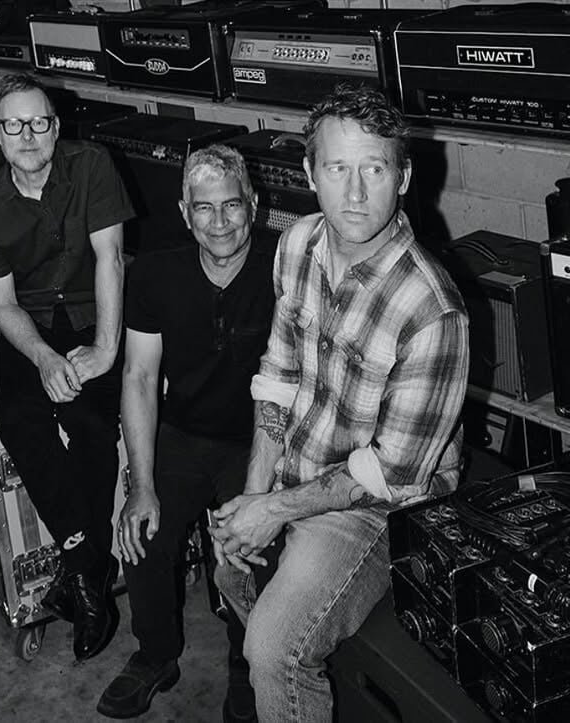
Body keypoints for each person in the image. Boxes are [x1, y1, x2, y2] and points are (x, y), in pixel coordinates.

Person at [211, 84, 469, 722]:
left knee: (273, 649)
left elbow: (389, 474)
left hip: (379, 506)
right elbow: (278, 375)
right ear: (309, 173)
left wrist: (274, 509)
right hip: (301, 463)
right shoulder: (298, 243)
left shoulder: (433, 310)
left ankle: (280, 677)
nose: (354, 193)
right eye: (336, 168)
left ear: (402, 177)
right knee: (228, 569)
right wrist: (255, 494)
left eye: (374, 169)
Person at [98, 146, 275, 719]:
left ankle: (248, 664)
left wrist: (259, 497)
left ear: (253, 205)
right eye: (204, 207)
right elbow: (139, 378)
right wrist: (141, 484)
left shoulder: (283, 269)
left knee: (252, 546)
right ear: (183, 211)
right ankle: (156, 654)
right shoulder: (154, 274)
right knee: (140, 528)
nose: (219, 222)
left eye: (231, 205)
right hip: (185, 430)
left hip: (259, 439)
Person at [0, 73, 135, 661]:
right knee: (18, 417)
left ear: (55, 126)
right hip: (32, 325)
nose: (28, 135)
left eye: (38, 122)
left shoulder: (92, 165)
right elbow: (3, 305)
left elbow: (111, 259)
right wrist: (41, 357)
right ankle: (90, 564)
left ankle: (80, 577)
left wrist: (107, 350)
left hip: (95, 314)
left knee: (90, 422)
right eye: (14, 125)